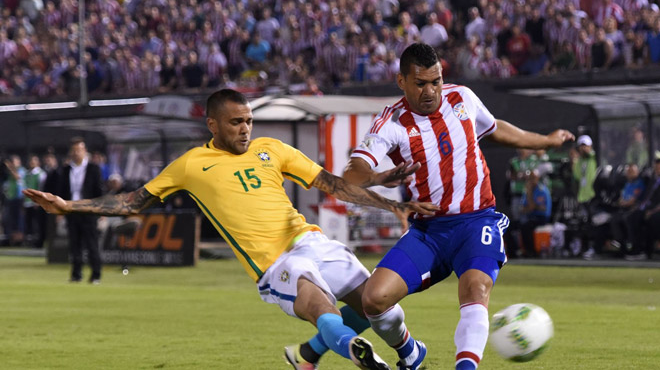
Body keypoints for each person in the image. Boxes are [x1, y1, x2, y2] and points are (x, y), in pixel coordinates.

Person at [24, 89, 440, 370]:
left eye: (249, 121)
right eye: (236, 122)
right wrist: (69, 205)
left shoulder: (271, 149)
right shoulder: (189, 165)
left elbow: (331, 183)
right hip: (274, 263)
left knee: (379, 306)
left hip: (311, 240)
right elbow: (132, 201)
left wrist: (393, 203)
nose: (246, 129)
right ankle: (353, 350)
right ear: (213, 125)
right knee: (319, 308)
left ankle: (407, 353)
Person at [342, 43, 574, 370]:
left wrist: (545, 141)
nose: (430, 91)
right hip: (429, 234)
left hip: (477, 221)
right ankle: (410, 351)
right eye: (420, 83)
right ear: (401, 82)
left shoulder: (462, 97)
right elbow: (353, 173)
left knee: (476, 288)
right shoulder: (391, 123)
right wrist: (379, 176)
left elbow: (494, 129)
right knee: (373, 300)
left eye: (435, 81)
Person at [59, 137, 104, 284]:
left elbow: (99, 191)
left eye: (79, 150)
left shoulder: (93, 168)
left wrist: (101, 210)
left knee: (92, 244)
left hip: (88, 211)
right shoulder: (66, 170)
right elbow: (63, 191)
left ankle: (95, 275)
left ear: (85, 151)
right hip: (72, 211)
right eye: (74, 150)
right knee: (74, 245)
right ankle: (76, 274)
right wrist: (60, 211)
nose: (77, 153)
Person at [572, 135, 598, 258]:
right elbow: (577, 177)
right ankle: (585, 248)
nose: (584, 148)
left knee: (592, 223)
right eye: (581, 146)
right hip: (582, 197)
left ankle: (593, 247)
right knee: (584, 224)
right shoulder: (579, 162)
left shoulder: (593, 158)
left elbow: (591, 154)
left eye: (586, 146)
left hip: (592, 196)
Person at [519, 169, 552, 258]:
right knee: (510, 225)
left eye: (533, 178)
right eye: (529, 178)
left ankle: (531, 252)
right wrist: (530, 207)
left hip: (542, 217)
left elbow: (532, 207)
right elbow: (522, 208)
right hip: (531, 216)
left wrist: (530, 195)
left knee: (526, 226)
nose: (530, 181)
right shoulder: (527, 191)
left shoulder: (541, 190)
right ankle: (513, 252)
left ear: (537, 179)